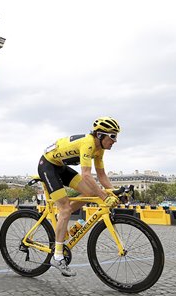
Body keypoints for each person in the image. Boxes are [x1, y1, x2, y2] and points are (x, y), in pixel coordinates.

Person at [37, 116, 121, 277]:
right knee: (67, 209)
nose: (115, 140)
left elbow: (102, 176)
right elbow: (87, 176)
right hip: (47, 166)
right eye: (112, 136)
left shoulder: (99, 149)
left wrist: (114, 192)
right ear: (100, 135)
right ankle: (58, 255)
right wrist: (104, 197)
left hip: (60, 167)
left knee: (89, 193)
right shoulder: (88, 144)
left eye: (116, 136)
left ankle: (61, 215)